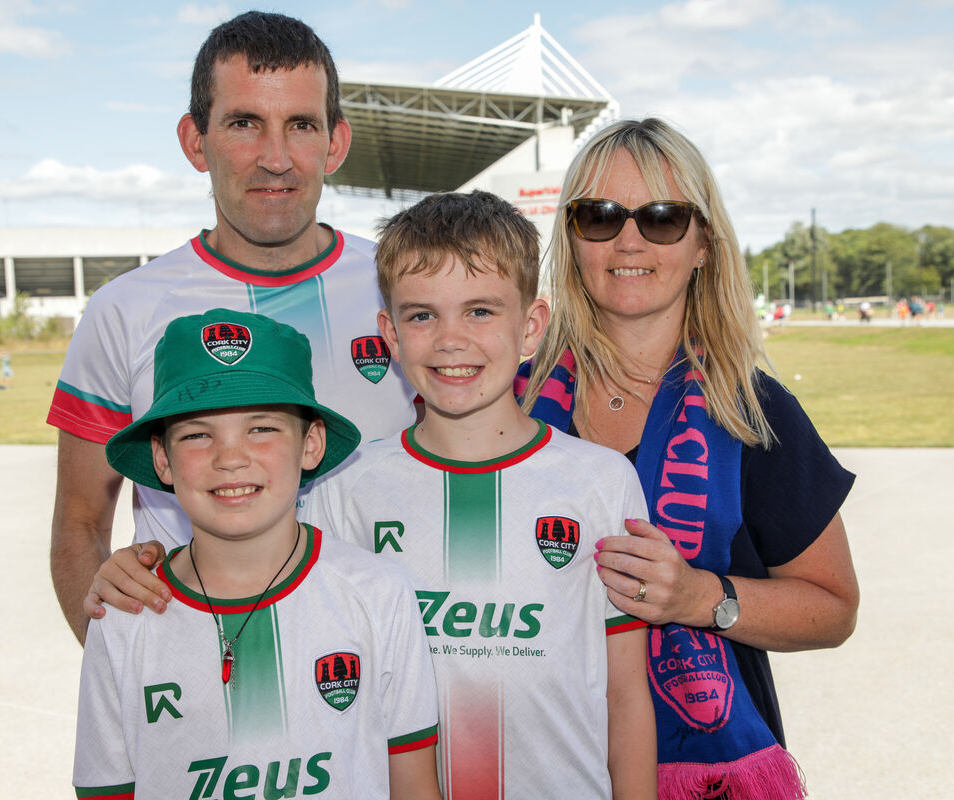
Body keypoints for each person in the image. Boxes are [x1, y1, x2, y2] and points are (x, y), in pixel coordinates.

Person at [515, 118, 859, 799]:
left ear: (703, 242)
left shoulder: (753, 413)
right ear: (573, 239)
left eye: (663, 218)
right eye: (600, 216)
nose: (629, 240)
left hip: (706, 776)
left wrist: (701, 597)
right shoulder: (510, 406)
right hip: (534, 761)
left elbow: (833, 608)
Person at [47, 11, 417, 644]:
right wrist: (133, 674)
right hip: (201, 686)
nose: (275, 159)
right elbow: (81, 525)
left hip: (391, 677)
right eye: (245, 124)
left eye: (301, 125)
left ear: (335, 143)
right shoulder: (123, 310)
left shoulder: (406, 289)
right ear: (196, 141)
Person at [306, 190, 656, 798]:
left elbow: (626, 694)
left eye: (480, 312)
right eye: (421, 315)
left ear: (531, 326)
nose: (449, 339)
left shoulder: (601, 481)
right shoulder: (346, 487)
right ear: (389, 332)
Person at [74, 308, 441, 800]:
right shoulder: (123, 615)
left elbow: (414, 787)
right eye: (197, 434)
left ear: (310, 444)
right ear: (162, 458)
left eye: (262, 428)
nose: (230, 458)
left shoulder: (377, 594)